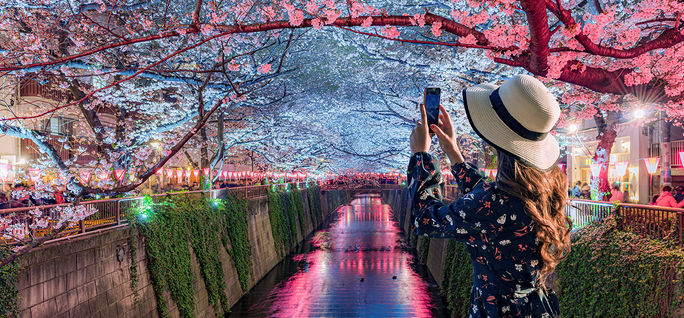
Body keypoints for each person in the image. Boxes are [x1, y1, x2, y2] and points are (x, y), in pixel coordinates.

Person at [408, 75, 570, 317]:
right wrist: (454, 154)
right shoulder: (545, 189)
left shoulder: (492, 205)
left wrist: (421, 156)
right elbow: (489, 202)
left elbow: (424, 218)